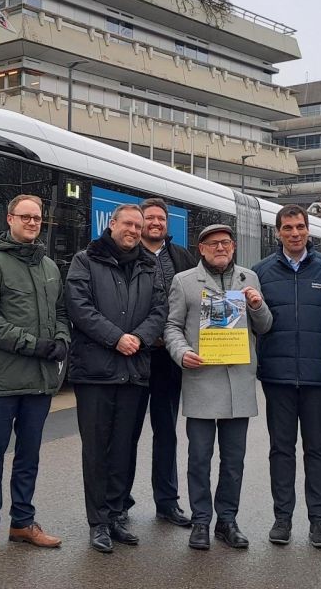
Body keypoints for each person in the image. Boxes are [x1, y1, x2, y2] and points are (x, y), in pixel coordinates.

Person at [0, 194, 70, 556]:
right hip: (1, 380)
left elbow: (61, 311)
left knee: (29, 456)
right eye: (25, 216)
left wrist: (61, 339)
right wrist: (33, 345)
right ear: (9, 219)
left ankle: (23, 523)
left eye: (37, 218)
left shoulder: (50, 268)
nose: (31, 223)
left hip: (39, 381)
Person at [66, 203, 169, 553]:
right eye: (128, 223)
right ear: (112, 224)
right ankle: (98, 522)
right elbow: (79, 307)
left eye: (138, 226)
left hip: (134, 371)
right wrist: (116, 337)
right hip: (95, 372)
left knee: (124, 449)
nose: (134, 230)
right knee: (96, 451)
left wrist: (138, 338)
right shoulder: (86, 260)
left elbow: (160, 309)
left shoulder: (148, 264)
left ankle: (116, 514)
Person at [166, 224, 273, 551]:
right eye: (213, 244)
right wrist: (182, 353)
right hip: (201, 380)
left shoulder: (249, 279)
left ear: (234, 246)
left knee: (234, 460)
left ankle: (227, 520)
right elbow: (171, 326)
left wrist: (256, 305)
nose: (220, 248)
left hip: (238, 382)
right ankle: (201, 520)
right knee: (199, 458)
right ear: (201, 248)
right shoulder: (184, 282)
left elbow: (265, 326)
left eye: (226, 242)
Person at [251, 204, 321, 549]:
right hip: (278, 376)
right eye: (287, 228)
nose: (295, 233)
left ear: (308, 230)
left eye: (300, 227)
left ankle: (319, 521)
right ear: (278, 233)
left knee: (318, 450)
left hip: (319, 377)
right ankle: (282, 518)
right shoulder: (261, 272)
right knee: (281, 450)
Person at [120, 197, 198, 528]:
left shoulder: (181, 257)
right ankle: (119, 502)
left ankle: (167, 502)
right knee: (127, 433)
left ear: (167, 225)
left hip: (169, 361)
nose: (155, 223)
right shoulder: (123, 256)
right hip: (133, 357)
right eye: (149, 218)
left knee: (166, 433)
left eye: (160, 219)